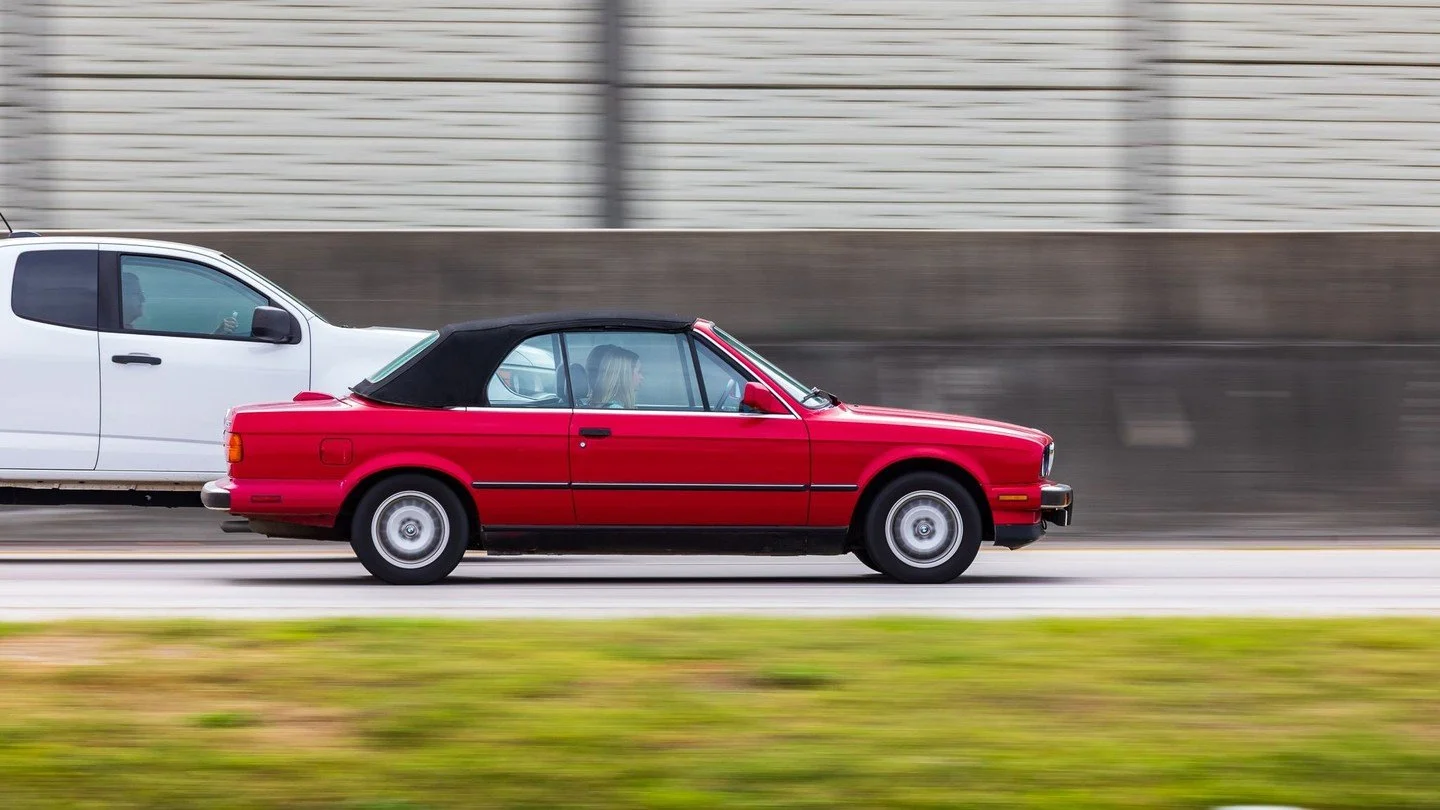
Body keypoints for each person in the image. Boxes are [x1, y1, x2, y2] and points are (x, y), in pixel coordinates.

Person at [120, 271, 239, 335]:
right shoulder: (125, 337)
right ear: (122, 297)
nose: (143, 299)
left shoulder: (128, 331)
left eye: (141, 293)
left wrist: (217, 334)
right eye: (136, 293)